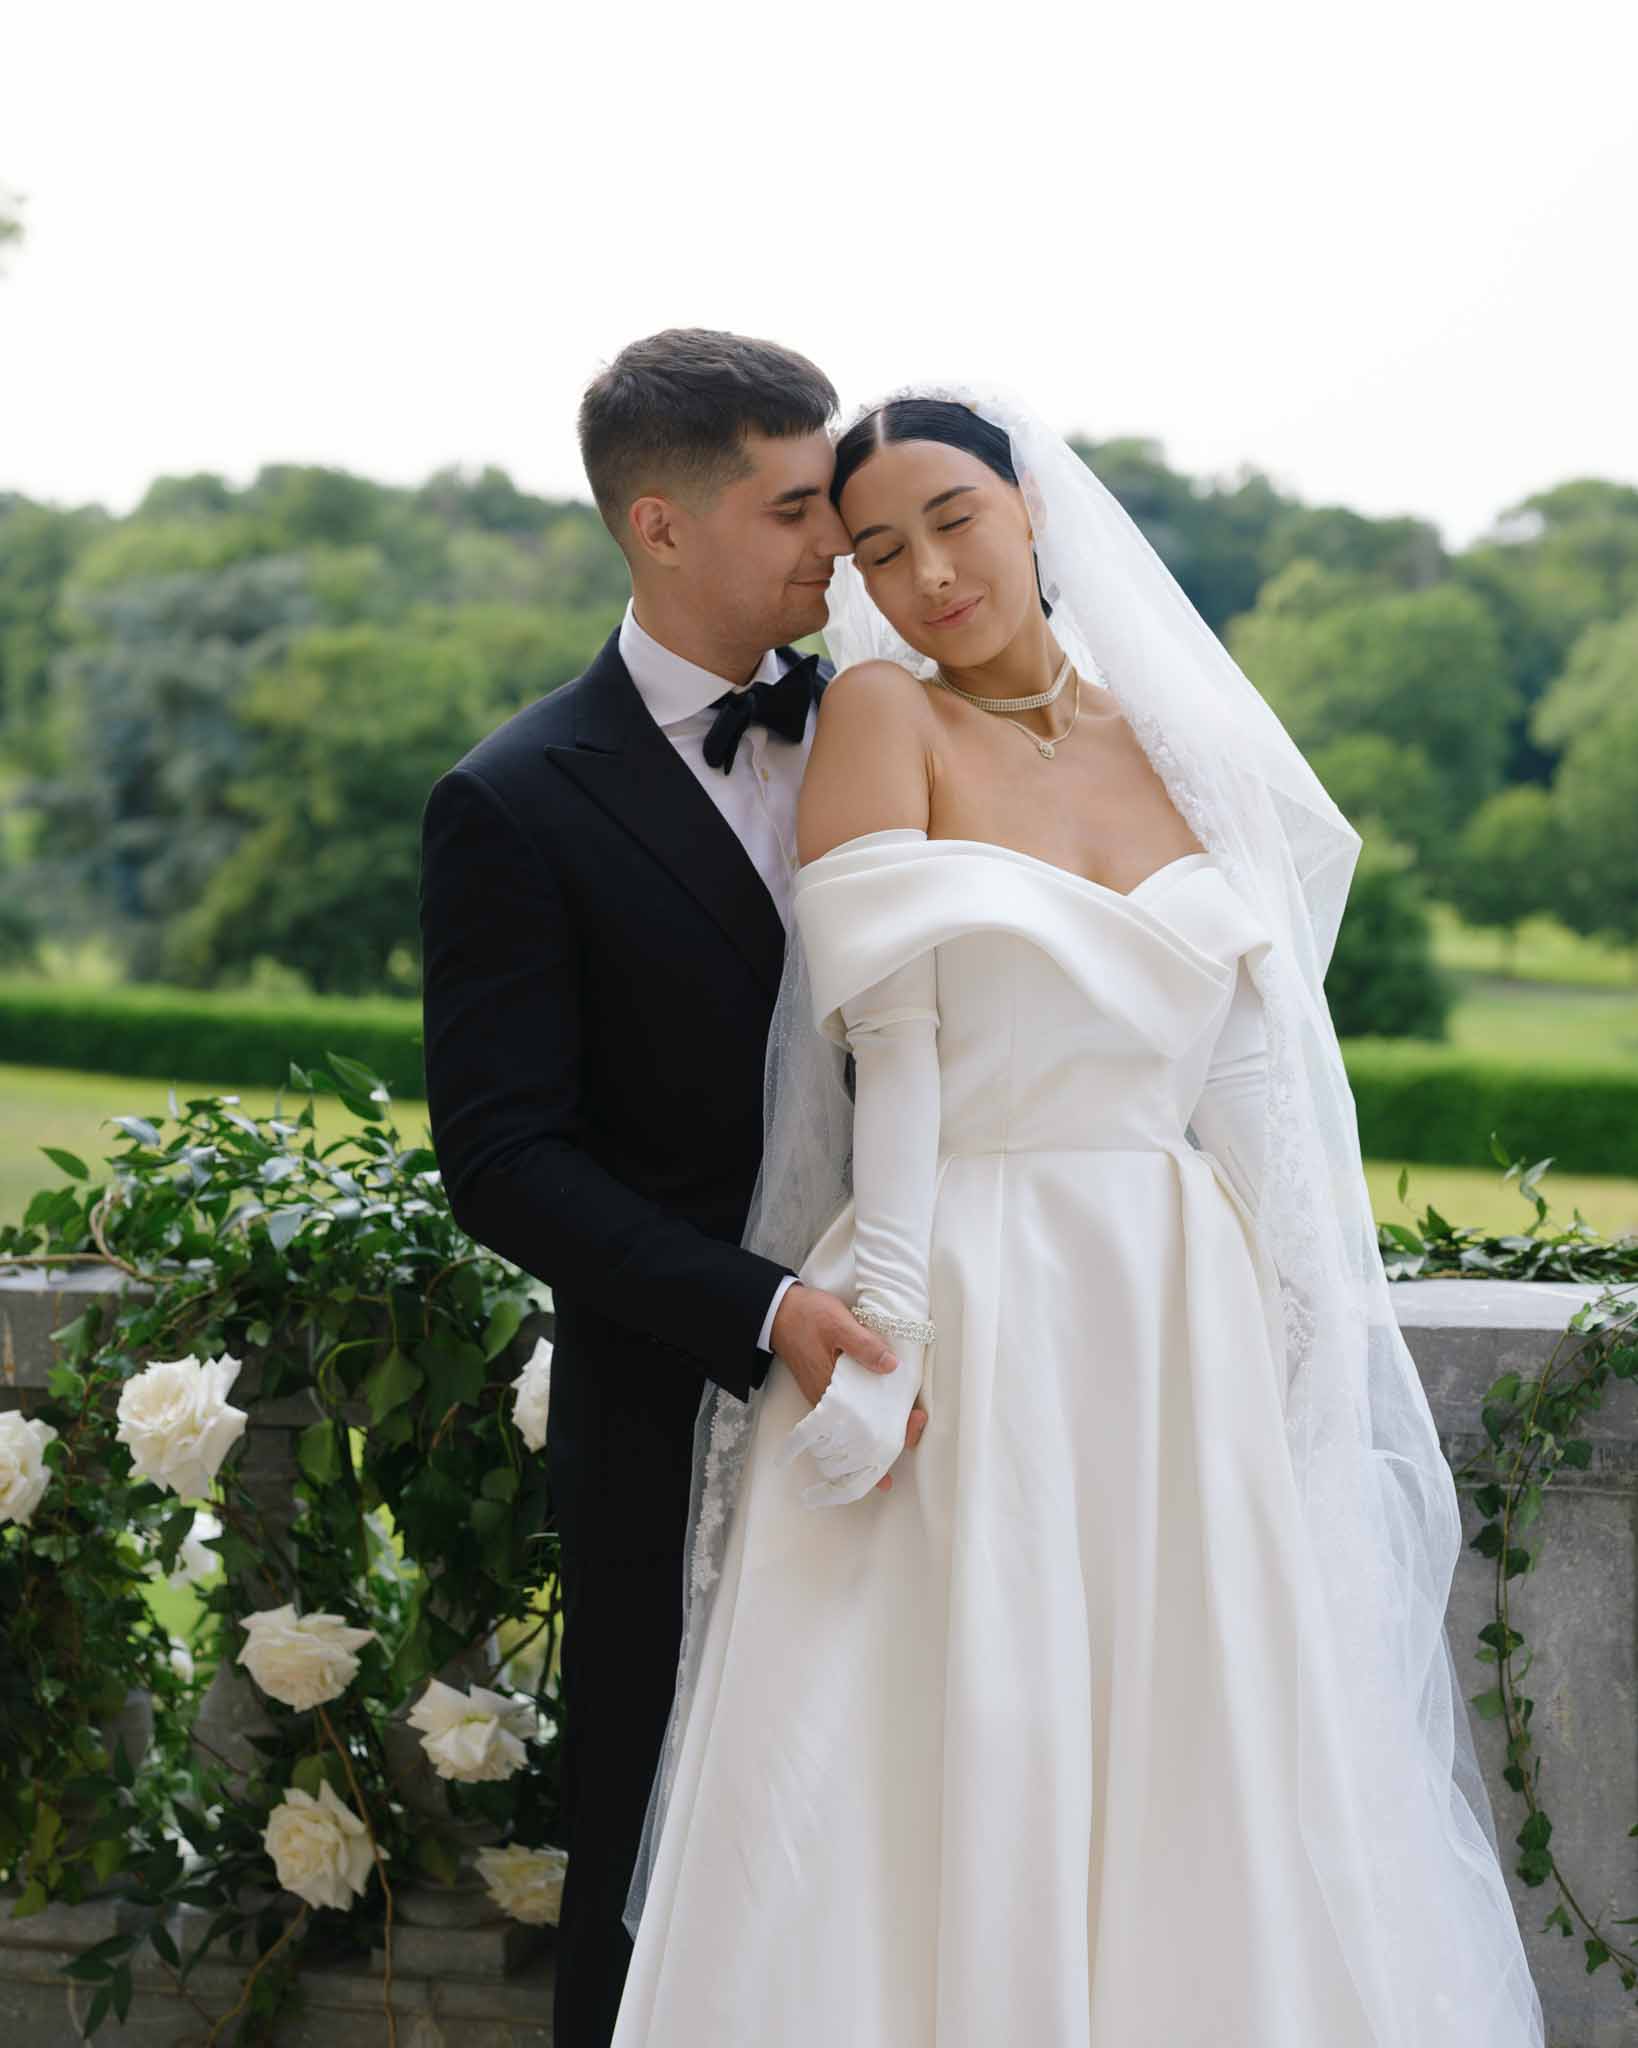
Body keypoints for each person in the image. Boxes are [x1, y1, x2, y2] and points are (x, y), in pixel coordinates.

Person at [610, 388, 1547, 2045]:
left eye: (954, 519)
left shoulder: (1181, 744)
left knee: (1204, 1768)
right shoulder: (883, 718)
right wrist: (881, 1343)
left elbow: (1253, 1086)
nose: (926, 575)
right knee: (956, 1765)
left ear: (1031, 506)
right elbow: (889, 1068)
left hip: (1174, 1315)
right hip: (968, 1285)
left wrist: (1302, 1354)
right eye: (879, 549)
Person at [416, 330, 930, 2048]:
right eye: (796, 509)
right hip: (677, 1414)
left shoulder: (919, 716)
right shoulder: (509, 801)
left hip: (946, 1376)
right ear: (659, 525)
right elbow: (502, 1158)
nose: (837, 547)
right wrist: (760, 1309)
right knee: (661, 1863)